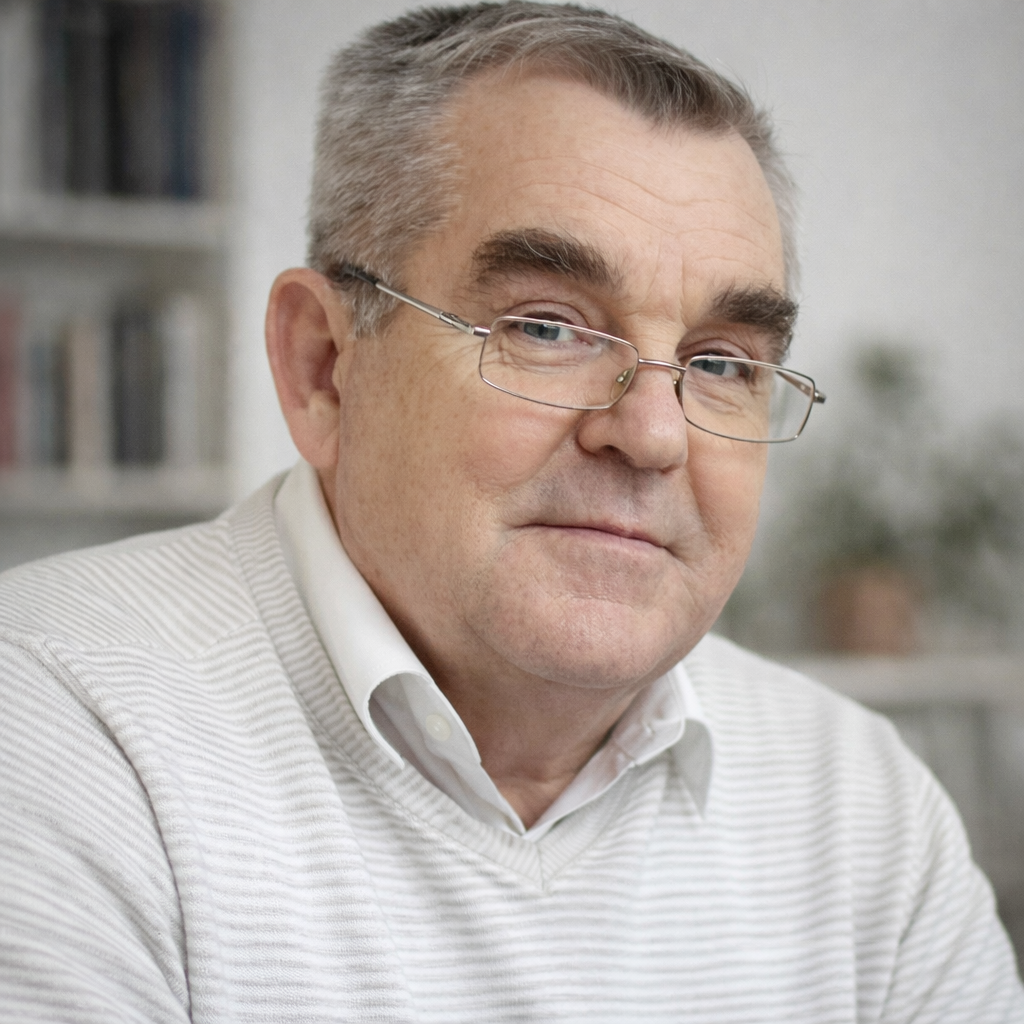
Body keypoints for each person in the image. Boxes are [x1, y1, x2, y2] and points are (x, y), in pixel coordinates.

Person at [1, 3, 1021, 1020]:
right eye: (547, 327)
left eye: (719, 364)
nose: (653, 435)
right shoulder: (54, 724)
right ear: (323, 366)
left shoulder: (861, 804)